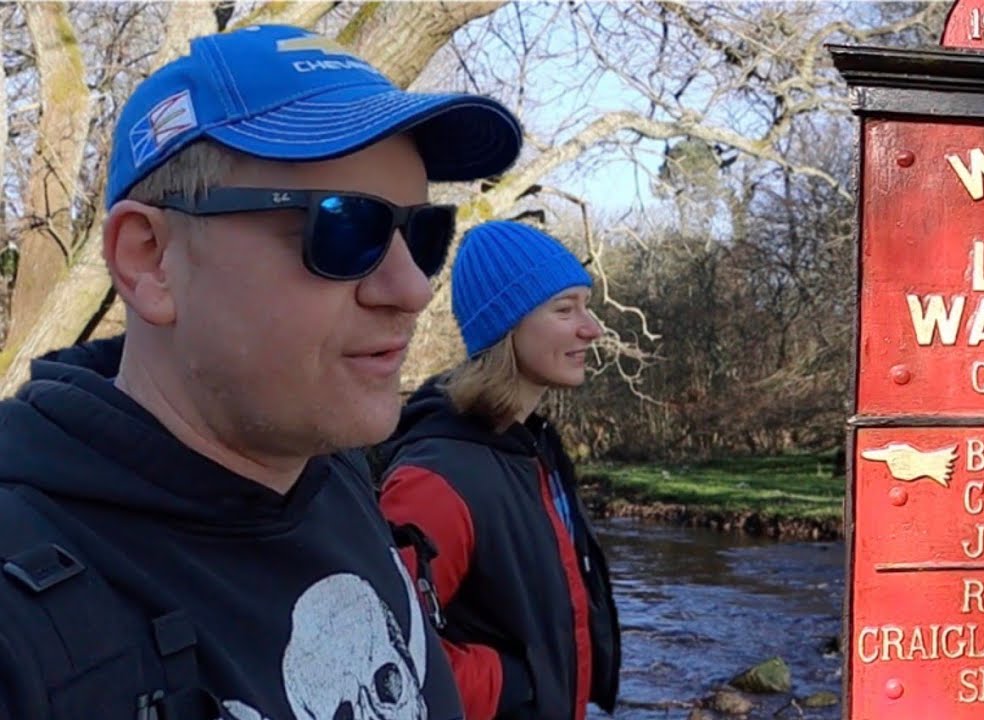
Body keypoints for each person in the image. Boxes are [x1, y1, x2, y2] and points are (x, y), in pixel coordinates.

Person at [0, 23, 522, 720]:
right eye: (347, 227)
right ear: (150, 260)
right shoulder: (23, 613)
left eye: (423, 234)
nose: (413, 288)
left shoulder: (337, 476)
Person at [377, 220, 622, 720]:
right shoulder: (435, 481)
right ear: (508, 326)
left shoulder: (535, 450)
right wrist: (514, 687)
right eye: (565, 309)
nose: (592, 328)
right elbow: (380, 649)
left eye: (587, 305)